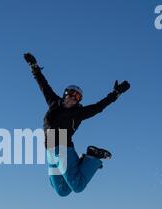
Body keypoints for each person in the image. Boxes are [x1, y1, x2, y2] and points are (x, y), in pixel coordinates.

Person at [24, 52, 131, 197]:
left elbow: (99, 107)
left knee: (78, 186)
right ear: (65, 94)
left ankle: (92, 156)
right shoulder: (54, 103)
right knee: (62, 191)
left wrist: (115, 94)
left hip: (62, 146)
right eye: (71, 94)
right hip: (49, 151)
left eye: (77, 98)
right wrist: (34, 66)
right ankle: (84, 161)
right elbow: (43, 84)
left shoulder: (78, 113)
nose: (73, 99)